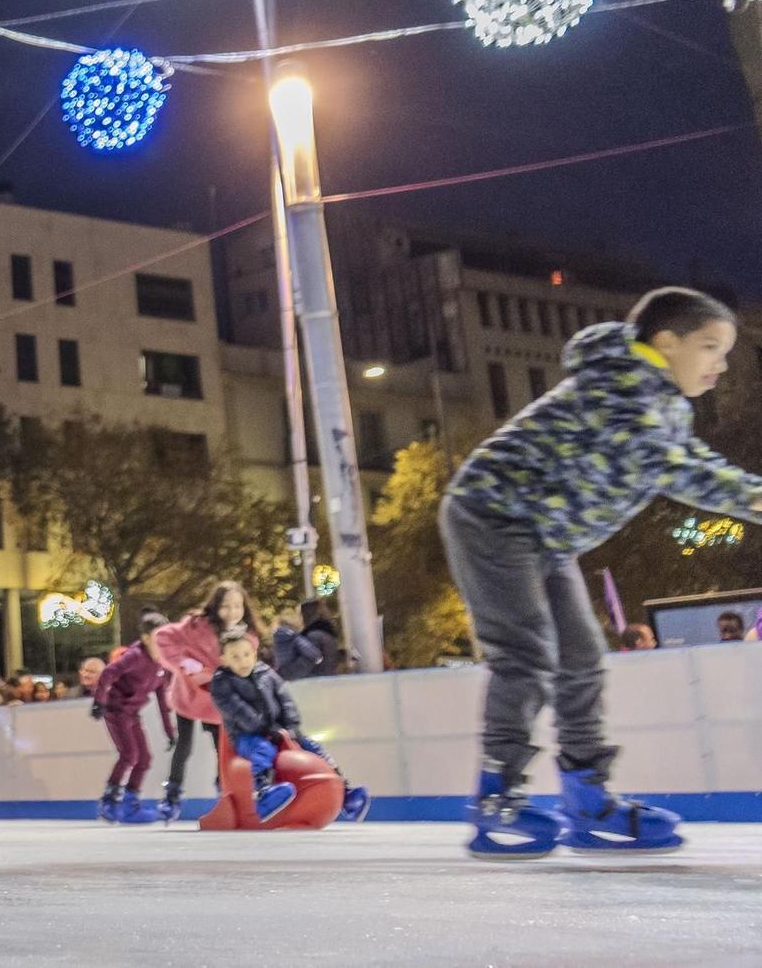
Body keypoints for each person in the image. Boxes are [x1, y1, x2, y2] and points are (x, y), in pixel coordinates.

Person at [442, 288, 762, 859]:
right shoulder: (618, 389)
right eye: (711, 347)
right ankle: (497, 799)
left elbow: (689, 458)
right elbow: (679, 469)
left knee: (582, 658)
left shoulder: (660, 400)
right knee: (527, 655)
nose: (722, 363)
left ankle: (587, 797)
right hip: (492, 515)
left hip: (545, 535)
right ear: (665, 343)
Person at [209, 629, 371, 823]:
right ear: (224, 660)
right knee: (262, 751)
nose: (242, 661)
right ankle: (262, 793)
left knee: (313, 747)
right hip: (247, 736)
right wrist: (264, 729)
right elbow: (238, 710)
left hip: (279, 730)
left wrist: (292, 726)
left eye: (246, 655)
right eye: (235, 657)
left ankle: (346, 793)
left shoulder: (266, 673)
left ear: (254, 654)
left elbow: (285, 699)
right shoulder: (221, 683)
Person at [150, 580, 261, 821]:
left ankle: (226, 793)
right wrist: (185, 664)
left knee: (222, 748)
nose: (232, 612)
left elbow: (248, 668)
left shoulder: (247, 638)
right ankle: (172, 794)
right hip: (189, 696)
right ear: (215, 605)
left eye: (237, 606)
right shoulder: (196, 626)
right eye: (226, 606)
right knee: (184, 745)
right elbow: (163, 637)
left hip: (219, 701)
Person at [92, 614, 175, 824]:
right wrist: (99, 701)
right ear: (146, 637)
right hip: (115, 709)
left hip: (132, 713)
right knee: (129, 755)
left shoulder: (162, 663)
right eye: (158, 636)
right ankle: (109, 801)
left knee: (144, 759)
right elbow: (108, 673)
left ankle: (130, 804)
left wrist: (169, 731)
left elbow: (162, 699)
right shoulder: (135, 656)